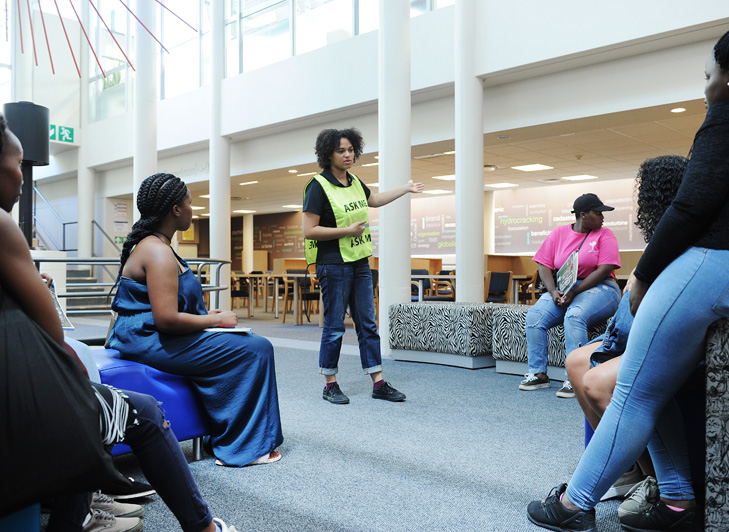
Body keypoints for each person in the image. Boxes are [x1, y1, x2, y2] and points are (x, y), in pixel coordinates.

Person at [527, 7, 729, 532]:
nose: (705, 88)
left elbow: (691, 208)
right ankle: (677, 502)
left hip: (724, 266)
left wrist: (643, 274)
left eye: (708, 76)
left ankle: (573, 504)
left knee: (632, 387)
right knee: (659, 384)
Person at [0, 116, 239, 532]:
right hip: (20, 402)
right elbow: (53, 332)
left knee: (81, 383)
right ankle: (200, 526)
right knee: (121, 409)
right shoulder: (2, 226)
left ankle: (87, 504)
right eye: (17, 165)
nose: (22, 178)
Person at [108, 173, 283, 467]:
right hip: (150, 340)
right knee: (257, 348)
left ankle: (231, 434)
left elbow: (165, 311)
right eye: (189, 204)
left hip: (150, 335)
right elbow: (166, 320)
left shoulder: (157, 246)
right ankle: (244, 448)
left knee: (250, 346)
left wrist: (208, 317)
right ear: (176, 210)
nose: (192, 209)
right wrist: (214, 322)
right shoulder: (158, 252)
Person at [564, 155, 688, 503]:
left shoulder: (684, 231)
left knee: (595, 376)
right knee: (576, 361)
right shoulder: (665, 234)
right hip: (639, 326)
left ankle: (656, 482)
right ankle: (630, 467)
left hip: (661, 333)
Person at [302, 127, 423, 404]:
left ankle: (378, 382)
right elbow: (309, 230)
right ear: (327, 154)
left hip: (359, 263)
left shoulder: (354, 181)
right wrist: (345, 231)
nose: (347, 155)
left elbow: (374, 200)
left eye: (350, 150)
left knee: (368, 324)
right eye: (340, 151)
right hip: (333, 264)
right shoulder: (317, 186)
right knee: (334, 326)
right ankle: (330, 383)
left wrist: (405, 188)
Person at [519, 193, 622, 397]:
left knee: (574, 315)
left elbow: (604, 268)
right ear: (583, 215)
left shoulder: (605, 234)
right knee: (534, 317)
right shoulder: (559, 233)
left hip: (603, 288)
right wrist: (553, 291)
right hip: (566, 288)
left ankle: (575, 377)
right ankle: (538, 374)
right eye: (598, 212)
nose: (603, 217)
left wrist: (575, 291)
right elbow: (544, 266)